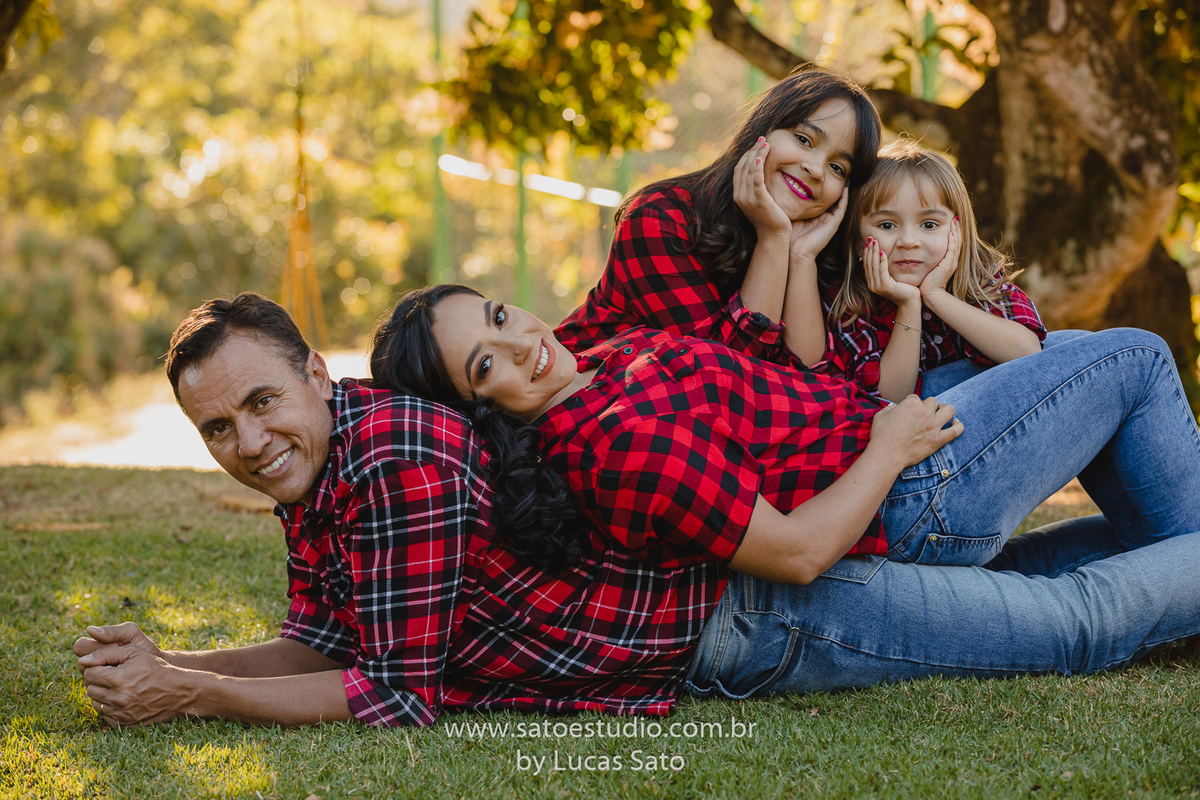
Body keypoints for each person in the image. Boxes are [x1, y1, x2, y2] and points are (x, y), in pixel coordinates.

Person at [75, 293, 1200, 729]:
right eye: (218, 429)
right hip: (749, 607)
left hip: (752, 606)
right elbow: (345, 652)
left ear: (318, 378)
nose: (248, 441)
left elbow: (386, 683)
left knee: (1074, 607)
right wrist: (186, 665)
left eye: (262, 403)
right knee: (1055, 589)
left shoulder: (393, 456)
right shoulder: (329, 466)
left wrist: (193, 685)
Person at [372, 285, 1200, 579]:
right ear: (480, 408)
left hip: (877, 428)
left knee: (1085, 352)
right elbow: (798, 554)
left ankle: (1175, 569)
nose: (522, 340)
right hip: (905, 494)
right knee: (1133, 357)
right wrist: (888, 447)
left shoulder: (594, 360)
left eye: (498, 315)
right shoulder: (620, 443)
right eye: (488, 365)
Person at [556, 68, 881, 367]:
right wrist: (773, 238)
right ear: (762, 130)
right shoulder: (660, 217)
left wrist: (800, 258)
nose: (816, 169)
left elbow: (815, 377)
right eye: (803, 139)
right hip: (555, 408)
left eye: (838, 168)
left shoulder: (824, 251)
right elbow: (725, 378)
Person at [821, 139, 1046, 401]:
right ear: (858, 241)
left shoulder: (976, 273)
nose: (908, 241)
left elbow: (1029, 353)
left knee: (1071, 341)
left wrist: (937, 295)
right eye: (886, 225)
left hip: (996, 405)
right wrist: (909, 304)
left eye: (928, 225)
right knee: (1096, 349)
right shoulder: (850, 300)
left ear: (957, 231)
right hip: (918, 423)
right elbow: (889, 399)